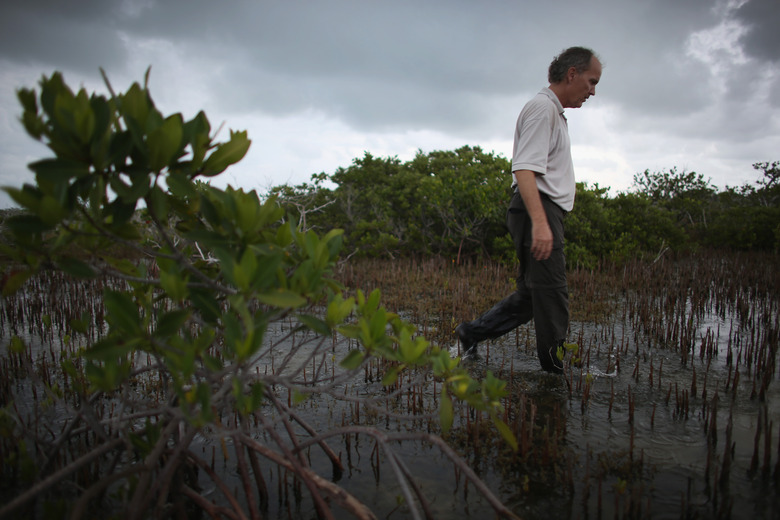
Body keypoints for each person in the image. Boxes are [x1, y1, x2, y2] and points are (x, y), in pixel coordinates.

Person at [455, 46, 602, 373]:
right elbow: (524, 170)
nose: (593, 91)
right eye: (591, 81)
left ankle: (470, 334)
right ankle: (555, 376)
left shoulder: (552, 112)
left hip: (541, 209)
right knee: (552, 294)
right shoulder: (542, 109)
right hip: (538, 207)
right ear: (572, 74)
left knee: (533, 296)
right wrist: (541, 223)